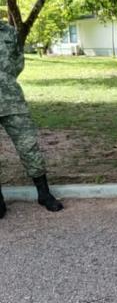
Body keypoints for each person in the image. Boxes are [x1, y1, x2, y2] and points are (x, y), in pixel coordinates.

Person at [0, 20, 64, 219]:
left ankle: (44, 193)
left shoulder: (9, 31)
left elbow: (18, 62)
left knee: (29, 146)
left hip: (12, 100)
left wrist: (5, 81)